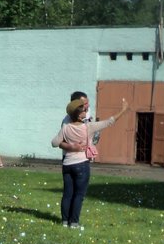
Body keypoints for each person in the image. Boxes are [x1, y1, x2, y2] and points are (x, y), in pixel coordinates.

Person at [50, 97, 129, 229]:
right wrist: (123, 110)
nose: (85, 111)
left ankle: (64, 222)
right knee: (79, 195)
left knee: (68, 194)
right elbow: (110, 122)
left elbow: (54, 143)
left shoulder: (65, 126)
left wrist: (69, 145)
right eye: (83, 110)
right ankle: (74, 223)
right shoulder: (88, 127)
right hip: (81, 164)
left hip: (67, 165)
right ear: (79, 113)